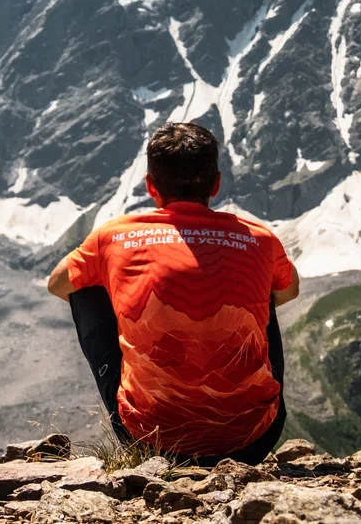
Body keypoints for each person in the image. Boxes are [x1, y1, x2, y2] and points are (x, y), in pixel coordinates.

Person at [46, 122, 299, 465]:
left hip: (151, 440)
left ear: (151, 186)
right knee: (265, 290)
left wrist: (126, 294)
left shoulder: (115, 235)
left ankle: (147, 398)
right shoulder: (259, 238)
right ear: (217, 183)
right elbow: (290, 291)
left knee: (85, 288)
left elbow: (57, 284)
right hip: (253, 439)